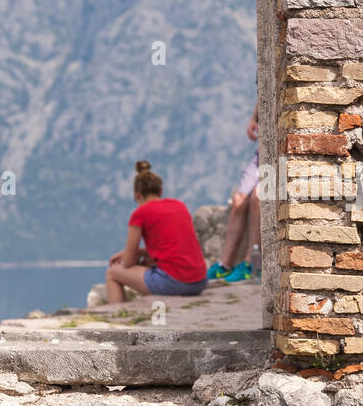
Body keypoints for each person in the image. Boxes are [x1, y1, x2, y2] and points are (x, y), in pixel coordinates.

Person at [105, 161, 207, 303]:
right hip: (200, 281)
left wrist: (127, 254)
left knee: (113, 273)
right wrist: (139, 253)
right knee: (148, 261)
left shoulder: (140, 213)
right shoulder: (179, 205)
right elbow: (171, 249)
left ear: (137, 195)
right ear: (160, 191)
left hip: (176, 283)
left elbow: (128, 262)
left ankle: (115, 317)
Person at [207, 103, 261, 284]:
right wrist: (254, 118)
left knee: (258, 198)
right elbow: (262, 92)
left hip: (279, 155)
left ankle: (251, 264)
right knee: (238, 200)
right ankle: (225, 264)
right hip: (260, 154)